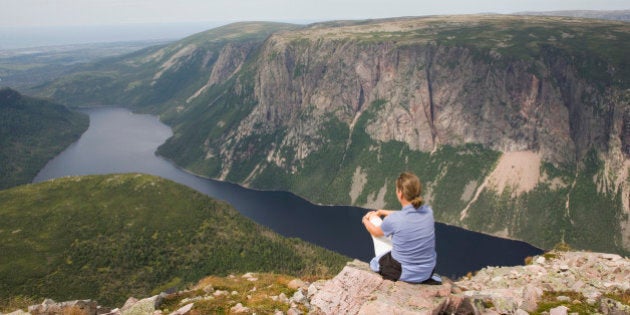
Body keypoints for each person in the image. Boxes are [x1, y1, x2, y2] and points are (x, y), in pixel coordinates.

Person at [362, 171, 440, 284]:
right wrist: (382, 212)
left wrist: (365, 219)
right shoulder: (427, 212)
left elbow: (375, 232)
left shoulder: (395, 220)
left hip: (404, 272)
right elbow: (406, 215)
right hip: (427, 271)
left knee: (374, 221)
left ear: (400, 193)